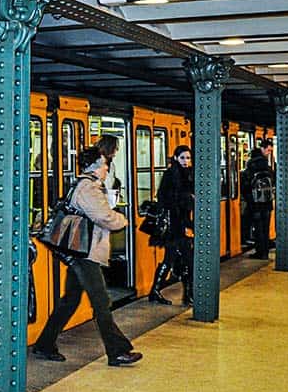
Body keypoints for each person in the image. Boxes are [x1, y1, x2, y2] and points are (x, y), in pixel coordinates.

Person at [32, 146, 142, 367]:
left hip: (81, 251)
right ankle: (117, 351)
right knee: (101, 301)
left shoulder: (86, 186)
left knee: (70, 300)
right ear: (95, 166)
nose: (106, 168)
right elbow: (104, 217)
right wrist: (122, 220)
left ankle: (44, 344)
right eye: (104, 164)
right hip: (85, 253)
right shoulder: (88, 188)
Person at [149, 145, 194, 306]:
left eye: (188, 158)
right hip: (174, 226)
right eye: (182, 158)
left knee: (180, 259)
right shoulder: (171, 175)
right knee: (179, 259)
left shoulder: (188, 174)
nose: (185, 161)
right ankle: (185, 294)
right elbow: (168, 200)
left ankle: (160, 291)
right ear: (175, 158)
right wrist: (187, 198)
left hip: (181, 224)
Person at [241, 144, 274, 260]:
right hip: (267, 204)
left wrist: (249, 200)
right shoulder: (268, 168)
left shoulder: (250, 168)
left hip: (255, 205)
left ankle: (260, 252)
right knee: (265, 228)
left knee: (258, 229)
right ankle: (265, 252)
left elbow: (245, 187)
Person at [95, 134, 121, 208]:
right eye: (115, 148)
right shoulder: (95, 165)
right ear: (108, 147)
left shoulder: (112, 165)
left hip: (109, 203)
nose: (117, 150)